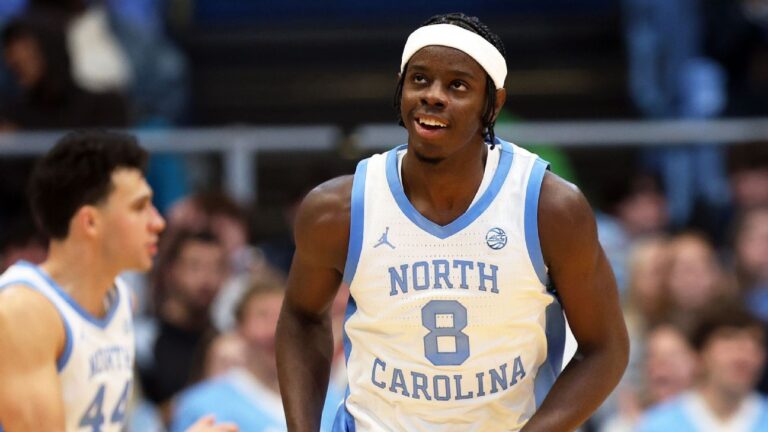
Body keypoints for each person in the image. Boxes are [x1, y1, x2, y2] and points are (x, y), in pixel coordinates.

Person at [276, 13, 629, 432]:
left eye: (457, 85)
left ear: (492, 104)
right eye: (420, 80)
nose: (433, 96)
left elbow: (605, 348)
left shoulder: (549, 207)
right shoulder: (339, 209)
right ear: (401, 88)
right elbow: (301, 317)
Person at [0, 130, 236, 432]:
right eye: (139, 207)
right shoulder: (24, 312)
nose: (158, 222)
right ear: (90, 222)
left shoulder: (121, 300)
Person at [636, 304, 768, 431]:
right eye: (730, 344)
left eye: (754, 347)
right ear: (699, 355)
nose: (743, 356)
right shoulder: (657, 424)